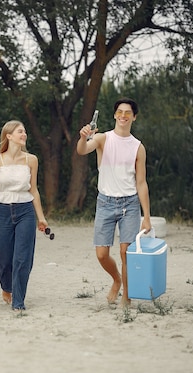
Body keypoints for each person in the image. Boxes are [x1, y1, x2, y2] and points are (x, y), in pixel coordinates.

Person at [76, 97, 152, 307]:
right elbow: (82, 150)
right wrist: (83, 137)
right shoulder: (103, 139)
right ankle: (117, 279)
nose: (123, 116)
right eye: (120, 112)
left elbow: (141, 182)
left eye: (128, 112)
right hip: (105, 203)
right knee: (102, 254)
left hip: (130, 204)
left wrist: (146, 217)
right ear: (114, 115)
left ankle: (126, 296)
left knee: (125, 252)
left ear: (134, 117)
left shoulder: (138, 147)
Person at [0, 120, 49, 311]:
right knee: (5, 256)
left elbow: (34, 190)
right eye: (20, 132)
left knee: (23, 258)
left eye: (24, 132)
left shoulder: (31, 159)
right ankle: (6, 287)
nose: (24, 135)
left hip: (26, 211)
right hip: (3, 211)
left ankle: (19, 302)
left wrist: (41, 217)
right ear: (8, 136)